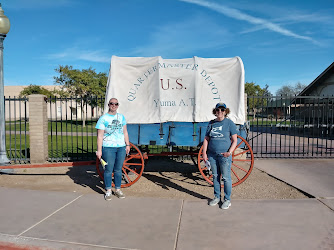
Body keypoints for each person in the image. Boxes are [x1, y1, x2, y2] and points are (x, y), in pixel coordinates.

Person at [202, 102, 238, 209]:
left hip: (224, 156)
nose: (220, 112)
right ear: (215, 111)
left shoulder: (229, 123)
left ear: (225, 112)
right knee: (216, 176)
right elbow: (206, 139)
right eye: (218, 110)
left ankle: (227, 200)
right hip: (212, 155)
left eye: (222, 110)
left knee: (226, 178)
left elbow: (235, 140)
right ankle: (217, 197)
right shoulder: (211, 123)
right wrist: (204, 153)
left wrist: (229, 152)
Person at [95, 98, 130, 201]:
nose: (113, 105)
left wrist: (127, 145)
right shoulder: (103, 119)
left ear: (118, 105)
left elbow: (125, 132)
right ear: (108, 105)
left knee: (118, 170)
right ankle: (109, 190)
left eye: (116, 104)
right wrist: (99, 150)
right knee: (108, 170)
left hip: (121, 147)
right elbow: (100, 136)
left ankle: (118, 190)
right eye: (111, 103)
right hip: (108, 147)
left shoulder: (121, 117)